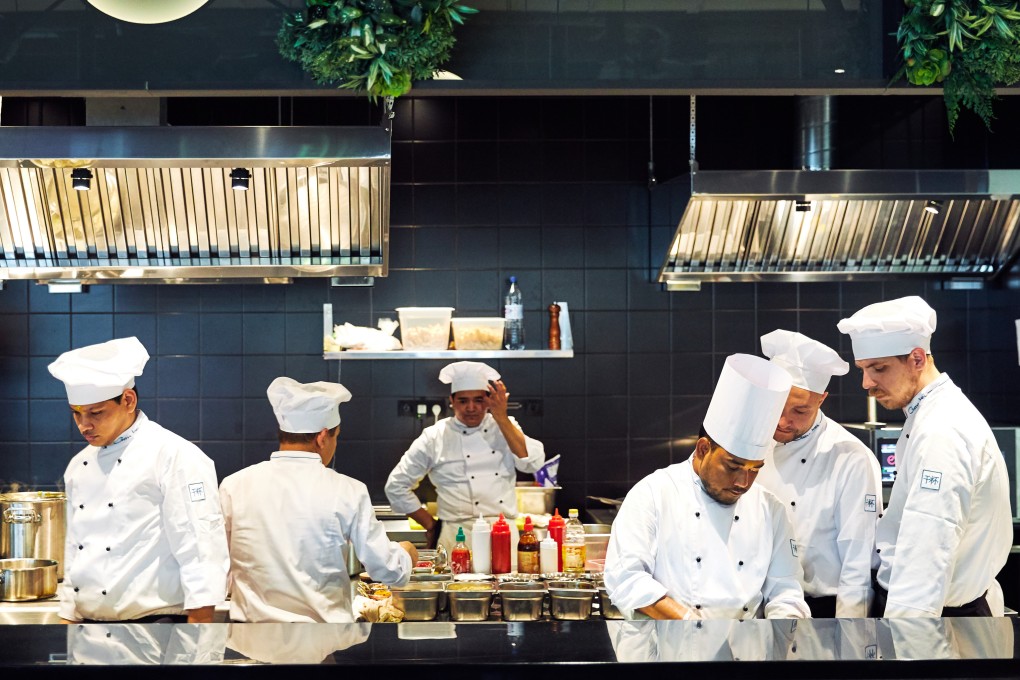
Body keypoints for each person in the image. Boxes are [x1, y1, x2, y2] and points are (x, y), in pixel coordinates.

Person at [837, 296, 1012, 617]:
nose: (866, 383)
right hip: (935, 610)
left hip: (935, 616)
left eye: (879, 368)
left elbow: (927, 552)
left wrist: (907, 641)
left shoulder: (941, 429)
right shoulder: (927, 415)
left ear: (917, 359)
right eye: (863, 370)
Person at [604, 353, 810, 620]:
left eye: (754, 470)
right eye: (733, 466)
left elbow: (786, 591)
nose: (742, 483)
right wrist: (692, 625)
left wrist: (784, 628)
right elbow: (627, 579)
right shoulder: (653, 494)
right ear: (703, 449)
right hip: (669, 643)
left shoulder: (771, 509)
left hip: (748, 645)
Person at [47, 337, 229, 624]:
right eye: (76, 414)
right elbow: (75, 549)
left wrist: (200, 630)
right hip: (89, 629)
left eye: (96, 412)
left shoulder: (173, 455)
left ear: (128, 400)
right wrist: (68, 616)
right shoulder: (78, 466)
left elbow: (200, 546)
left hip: (155, 627)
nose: (84, 425)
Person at [218, 377, 416, 622]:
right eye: (336, 437)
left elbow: (217, 565)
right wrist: (406, 553)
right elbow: (389, 570)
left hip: (250, 636)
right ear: (322, 437)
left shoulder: (233, 485)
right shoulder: (348, 490)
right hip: (321, 638)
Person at [754, 329, 884, 618]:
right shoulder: (750, 441)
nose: (783, 421)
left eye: (799, 411)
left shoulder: (851, 458)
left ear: (821, 399)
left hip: (824, 610)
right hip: (759, 605)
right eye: (777, 406)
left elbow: (857, 563)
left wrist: (850, 633)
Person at [384, 361, 546, 560]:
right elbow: (396, 486)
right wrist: (431, 524)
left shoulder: (505, 426)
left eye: (479, 400)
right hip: (456, 534)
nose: (471, 407)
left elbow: (532, 463)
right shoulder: (435, 436)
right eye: (463, 401)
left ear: (489, 400)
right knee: (455, 580)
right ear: (451, 401)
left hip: (502, 533)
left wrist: (502, 417)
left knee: (505, 580)